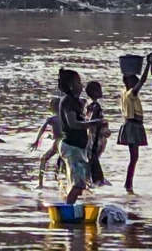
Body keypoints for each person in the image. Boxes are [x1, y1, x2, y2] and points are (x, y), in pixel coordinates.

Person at [55, 69, 105, 204]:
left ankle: (70, 207)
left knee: (79, 184)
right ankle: (67, 210)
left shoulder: (74, 101)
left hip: (76, 147)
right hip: (71, 147)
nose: (81, 85)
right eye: (78, 83)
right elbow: (73, 124)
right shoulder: (68, 101)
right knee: (78, 185)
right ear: (71, 85)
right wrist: (94, 123)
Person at [117, 70, 149, 192]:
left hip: (132, 125)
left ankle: (128, 183)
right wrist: (148, 66)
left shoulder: (125, 94)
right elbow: (142, 81)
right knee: (134, 157)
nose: (137, 83)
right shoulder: (131, 93)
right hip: (133, 125)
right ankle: (128, 183)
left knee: (134, 157)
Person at [32, 97, 62, 188]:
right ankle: (60, 182)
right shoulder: (66, 117)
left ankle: (40, 184)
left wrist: (37, 141)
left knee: (43, 159)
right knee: (63, 163)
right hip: (66, 142)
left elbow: (42, 129)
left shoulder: (52, 118)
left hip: (57, 143)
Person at [84, 81, 109, 186]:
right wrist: (102, 123)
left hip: (91, 135)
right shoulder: (95, 106)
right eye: (99, 90)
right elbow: (92, 119)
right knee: (93, 156)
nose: (101, 92)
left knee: (92, 156)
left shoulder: (88, 104)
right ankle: (97, 179)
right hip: (96, 136)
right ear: (94, 92)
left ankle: (92, 178)